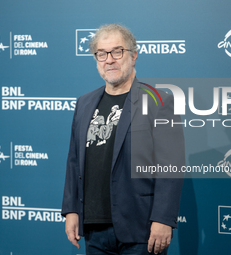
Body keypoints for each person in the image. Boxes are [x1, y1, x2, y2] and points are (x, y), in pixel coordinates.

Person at [62, 24, 185, 255]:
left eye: (117, 52)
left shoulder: (159, 101)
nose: (109, 60)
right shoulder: (84, 103)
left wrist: (163, 219)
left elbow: (171, 166)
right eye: (101, 53)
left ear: (133, 55)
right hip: (94, 230)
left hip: (141, 229)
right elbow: (74, 161)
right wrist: (71, 210)